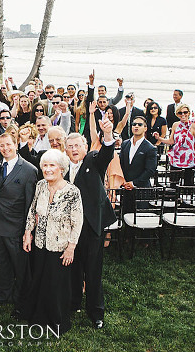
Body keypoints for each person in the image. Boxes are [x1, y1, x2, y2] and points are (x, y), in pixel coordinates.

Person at [21, 149, 82, 335]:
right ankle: (38, 317)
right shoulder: (40, 185)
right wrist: (27, 233)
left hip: (60, 246)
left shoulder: (72, 192)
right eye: (45, 165)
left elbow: (77, 221)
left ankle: (57, 321)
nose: (47, 169)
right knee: (39, 280)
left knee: (55, 285)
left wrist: (71, 247)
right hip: (40, 243)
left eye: (52, 165)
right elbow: (33, 210)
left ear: (61, 169)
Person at [65, 116, 115, 329]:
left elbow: (107, 154)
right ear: (65, 150)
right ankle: (74, 302)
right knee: (74, 268)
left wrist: (108, 134)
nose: (74, 149)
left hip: (92, 226)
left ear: (85, 147)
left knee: (93, 271)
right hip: (71, 230)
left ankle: (96, 312)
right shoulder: (63, 168)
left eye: (78, 145)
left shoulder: (93, 160)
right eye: (70, 146)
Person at [0, 132, 37, 314]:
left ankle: (22, 301)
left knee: (20, 267)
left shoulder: (29, 170)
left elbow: (29, 204)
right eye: (2, 145)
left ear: (16, 144)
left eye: (8, 145)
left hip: (16, 227)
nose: (5, 148)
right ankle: (3, 294)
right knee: (1, 263)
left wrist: (27, 231)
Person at [154, 104, 195, 186]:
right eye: (180, 113)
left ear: (189, 113)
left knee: (188, 184)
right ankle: (174, 198)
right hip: (176, 158)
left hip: (189, 159)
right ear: (177, 114)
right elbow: (171, 141)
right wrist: (159, 138)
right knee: (173, 183)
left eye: (185, 112)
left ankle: (186, 197)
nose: (183, 115)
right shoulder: (175, 125)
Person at [119, 117, 158, 190]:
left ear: (145, 128)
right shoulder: (125, 144)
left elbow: (150, 170)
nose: (136, 126)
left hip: (142, 189)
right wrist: (123, 181)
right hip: (125, 187)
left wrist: (133, 183)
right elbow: (121, 164)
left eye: (140, 125)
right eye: (134, 124)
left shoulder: (150, 148)